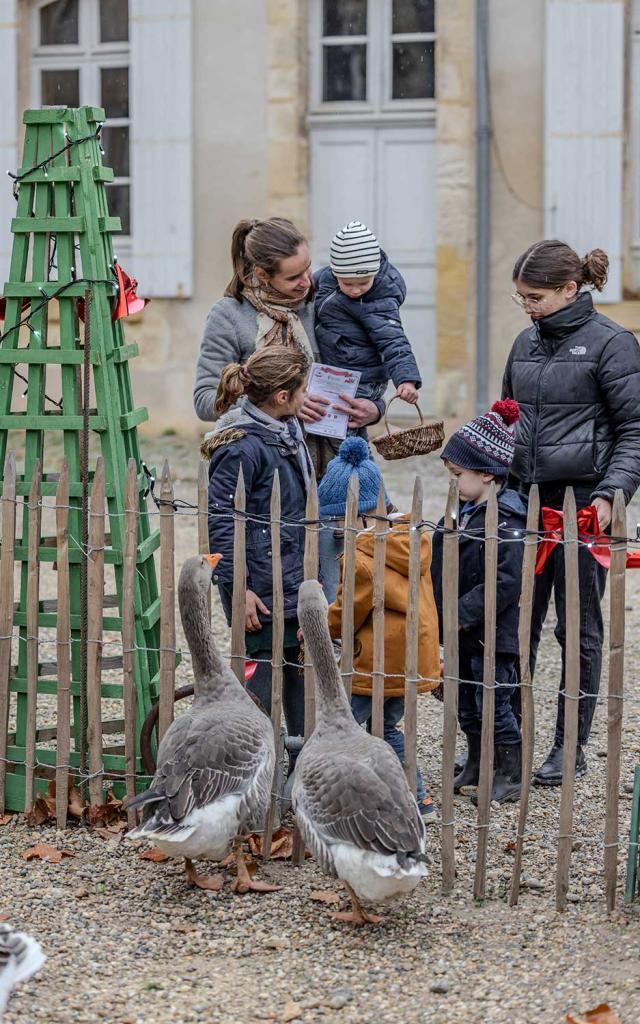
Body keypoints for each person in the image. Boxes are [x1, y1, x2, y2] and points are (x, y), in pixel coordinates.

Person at [502, 240, 640, 785]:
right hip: (525, 505)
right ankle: (508, 741)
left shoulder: (612, 344)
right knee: (516, 625)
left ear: (569, 289)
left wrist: (612, 492)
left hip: (584, 508)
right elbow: (506, 417)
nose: (528, 307)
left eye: (535, 297)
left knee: (577, 629)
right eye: (520, 299)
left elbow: (635, 429)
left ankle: (570, 745)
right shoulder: (523, 344)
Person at [193, 217, 384, 478]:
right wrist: (281, 404)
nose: (307, 282)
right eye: (293, 277)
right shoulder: (229, 317)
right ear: (262, 273)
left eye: (307, 269)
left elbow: (366, 370)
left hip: (340, 468)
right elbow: (206, 401)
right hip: (268, 473)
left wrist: (374, 408)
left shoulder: (329, 302)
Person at [318, 437, 441, 822]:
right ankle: (412, 798)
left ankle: (407, 798)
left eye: (340, 519)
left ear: (361, 514)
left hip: (375, 660)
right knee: (386, 724)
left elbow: (350, 606)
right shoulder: (409, 537)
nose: (337, 528)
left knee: (349, 725)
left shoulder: (362, 555)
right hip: (408, 656)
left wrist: (323, 624)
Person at [204, 346, 312, 760]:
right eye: (302, 390)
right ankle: (256, 769)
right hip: (261, 592)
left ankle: (302, 767)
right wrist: (239, 587)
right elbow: (222, 521)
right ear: (282, 396)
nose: (306, 398)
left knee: (299, 673)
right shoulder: (241, 446)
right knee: (263, 681)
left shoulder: (285, 430)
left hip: (287, 580)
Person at [431, 400, 526, 804]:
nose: (453, 484)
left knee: (495, 704)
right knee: (466, 703)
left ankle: (510, 771)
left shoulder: (507, 521)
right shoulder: (462, 512)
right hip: (460, 630)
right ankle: (475, 761)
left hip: (491, 634)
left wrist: (458, 614)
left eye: (459, 475)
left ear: (487, 473)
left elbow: (504, 583)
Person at [314, 219, 422, 411]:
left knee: (345, 425)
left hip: (363, 379)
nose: (356, 290)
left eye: (364, 283)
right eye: (347, 284)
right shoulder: (325, 278)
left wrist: (406, 379)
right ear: (335, 273)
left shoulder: (379, 300)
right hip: (334, 371)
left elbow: (394, 341)